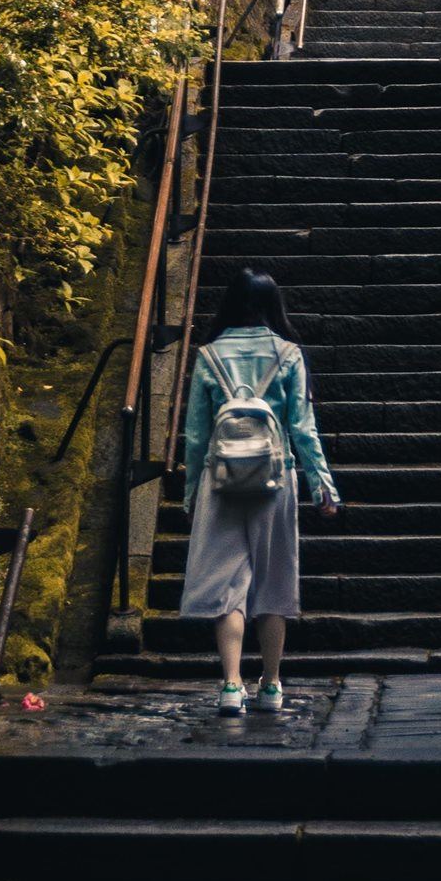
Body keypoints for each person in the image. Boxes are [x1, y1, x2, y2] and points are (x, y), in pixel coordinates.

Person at [179, 266, 341, 717]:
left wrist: (190, 493)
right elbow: (303, 428)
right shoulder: (289, 353)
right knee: (274, 582)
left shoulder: (208, 354)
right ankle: (270, 685)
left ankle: (231, 685)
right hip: (276, 479)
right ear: (273, 306)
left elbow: (195, 435)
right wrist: (322, 486)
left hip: (221, 480)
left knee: (228, 585)